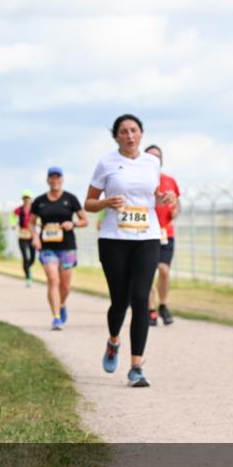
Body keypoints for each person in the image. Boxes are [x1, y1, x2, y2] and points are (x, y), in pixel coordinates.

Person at [85, 114, 176, 387]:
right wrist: (105, 204)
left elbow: (154, 195)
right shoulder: (106, 163)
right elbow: (88, 202)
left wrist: (164, 198)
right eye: (123, 131)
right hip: (114, 238)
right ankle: (114, 341)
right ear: (116, 136)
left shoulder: (152, 163)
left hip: (146, 236)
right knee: (120, 301)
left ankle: (137, 367)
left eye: (134, 130)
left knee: (140, 298)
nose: (129, 135)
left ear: (141, 133)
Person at [31, 167, 87, 330]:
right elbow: (31, 222)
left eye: (58, 177)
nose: (55, 180)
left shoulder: (70, 199)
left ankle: (62, 304)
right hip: (47, 247)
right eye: (52, 177)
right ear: (48, 180)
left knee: (65, 285)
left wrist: (73, 223)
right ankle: (56, 317)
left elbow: (85, 220)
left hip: (68, 247)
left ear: (62, 179)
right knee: (53, 280)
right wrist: (35, 237)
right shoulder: (39, 201)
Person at [145, 144, 181, 326]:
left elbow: (178, 203)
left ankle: (163, 305)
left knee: (164, 270)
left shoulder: (170, 181)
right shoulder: (141, 181)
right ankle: (150, 309)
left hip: (166, 233)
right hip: (145, 233)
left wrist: (175, 210)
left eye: (157, 156)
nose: (154, 159)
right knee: (148, 273)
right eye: (150, 156)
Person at [11, 190, 36, 286]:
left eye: (28, 198)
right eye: (25, 198)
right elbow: (12, 217)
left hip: (32, 235)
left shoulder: (34, 210)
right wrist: (13, 224)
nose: (26, 200)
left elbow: (40, 218)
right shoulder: (19, 210)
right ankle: (28, 277)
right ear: (23, 200)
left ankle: (27, 268)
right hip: (22, 236)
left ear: (31, 199)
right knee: (25, 257)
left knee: (32, 258)